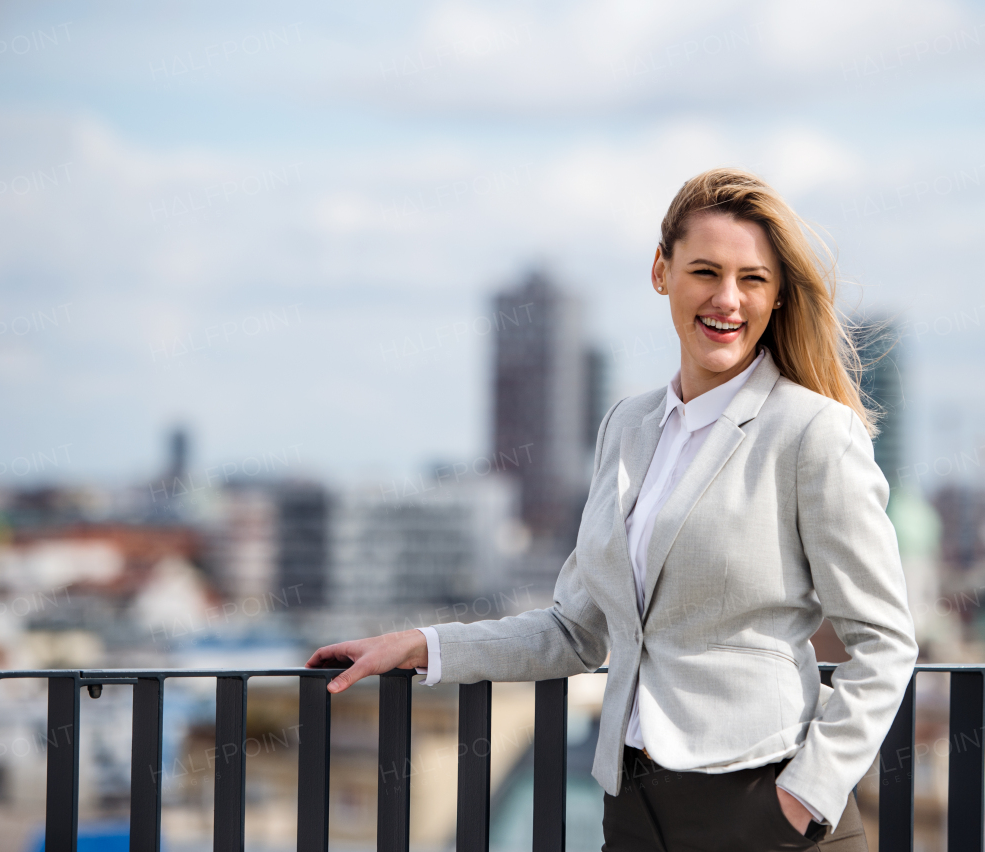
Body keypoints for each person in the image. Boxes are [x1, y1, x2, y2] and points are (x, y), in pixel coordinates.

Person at [307, 167, 918, 851]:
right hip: (631, 808)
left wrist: (805, 795)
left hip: (762, 807)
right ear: (662, 271)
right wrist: (425, 646)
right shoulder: (626, 426)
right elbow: (578, 630)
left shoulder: (810, 433)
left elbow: (885, 643)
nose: (727, 299)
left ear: (776, 297)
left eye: (752, 279)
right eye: (705, 271)